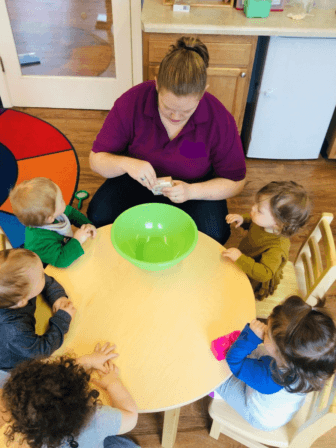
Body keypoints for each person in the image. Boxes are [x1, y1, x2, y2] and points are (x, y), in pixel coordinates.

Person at [88, 36, 246, 245]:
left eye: (187, 111)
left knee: (215, 234)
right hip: (137, 180)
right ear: (156, 84)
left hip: (192, 189)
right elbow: (96, 160)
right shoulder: (132, 102)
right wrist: (127, 163)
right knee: (98, 216)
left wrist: (192, 191)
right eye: (167, 107)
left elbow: (236, 182)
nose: (175, 117)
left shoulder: (219, 119)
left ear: (203, 92)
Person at [211, 295, 336, 431]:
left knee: (215, 376)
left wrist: (251, 337)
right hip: (282, 408)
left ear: (282, 355)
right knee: (252, 354)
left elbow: (233, 361)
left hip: (259, 417)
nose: (264, 327)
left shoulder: (269, 379)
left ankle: (218, 394)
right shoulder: (309, 365)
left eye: (268, 334)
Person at [1, 342, 140, 448]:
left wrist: (87, 361)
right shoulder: (97, 419)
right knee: (127, 445)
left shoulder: (25, 429)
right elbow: (131, 416)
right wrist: (112, 383)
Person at [222, 181, 310, 300]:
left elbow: (264, 274)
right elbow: (254, 222)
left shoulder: (276, 248)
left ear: (278, 224)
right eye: (256, 204)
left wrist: (239, 258)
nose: (253, 208)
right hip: (245, 260)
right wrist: (242, 219)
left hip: (254, 279)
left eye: (259, 210)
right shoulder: (265, 223)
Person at [0, 248, 76, 371]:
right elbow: (42, 350)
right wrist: (62, 319)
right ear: (22, 301)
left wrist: (57, 296)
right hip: (13, 364)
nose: (44, 274)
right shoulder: (14, 332)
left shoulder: (18, 288)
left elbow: (44, 281)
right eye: (41, 275)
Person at [10, 177, 97, 268]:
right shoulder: (39, 242)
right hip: (49, 265)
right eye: (61, 200)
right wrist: (77, 240)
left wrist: (87, 224)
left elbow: (71, 212)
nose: (65, 201)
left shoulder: (50, 215)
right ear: (50, 218)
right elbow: (61, 261)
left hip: (61, 249)